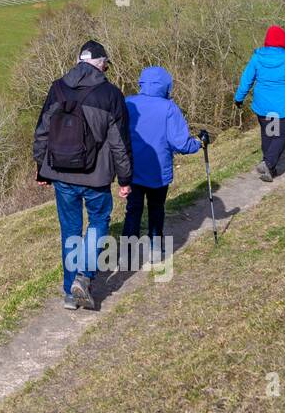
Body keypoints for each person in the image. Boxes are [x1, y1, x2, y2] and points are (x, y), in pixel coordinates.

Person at [33, 40, 133, 311]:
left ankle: (69, 292)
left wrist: (40, 167)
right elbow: (119, 143)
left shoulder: (57, 87)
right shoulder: (111, 94)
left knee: (70, 231)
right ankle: (84, 275)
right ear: (100, 64)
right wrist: (125, 179)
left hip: (61, 173)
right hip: (96, 177)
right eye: (106, 64)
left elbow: (42, 129)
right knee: (99, 222)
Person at [122, 66, 201, 263]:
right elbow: (180, 143)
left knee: (133, 209)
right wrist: (198, 144)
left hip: (131, 169)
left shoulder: (128, 103)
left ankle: (126, 253)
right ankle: (155, 250)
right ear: (166, 85)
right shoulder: (168, 108)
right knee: (156, 209)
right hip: (158, 171)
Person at [233, 24, 285, 181]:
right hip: (281, 107)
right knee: (280, 136)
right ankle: (268, 163)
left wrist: (239, 98)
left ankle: (269, 167)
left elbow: (246, 80)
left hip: (263, 106)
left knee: (268, 134)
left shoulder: (257, 57)